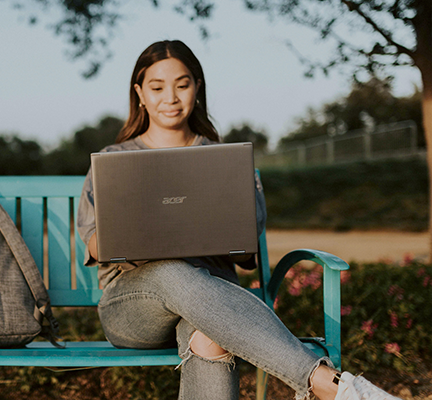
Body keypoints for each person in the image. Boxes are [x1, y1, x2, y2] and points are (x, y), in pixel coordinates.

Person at [76, 40, 399, 400]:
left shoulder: (224, 161)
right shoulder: (113, 160)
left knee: (211, 336)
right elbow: (93, 245)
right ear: (139, 93)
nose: (170, 97)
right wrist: (139, 231)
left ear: (197, 88)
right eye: (156, 87)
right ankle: (327, 384)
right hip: (134, 308)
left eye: (182, 85)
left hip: (213, 306)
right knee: (171, 271)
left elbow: (246, 255)